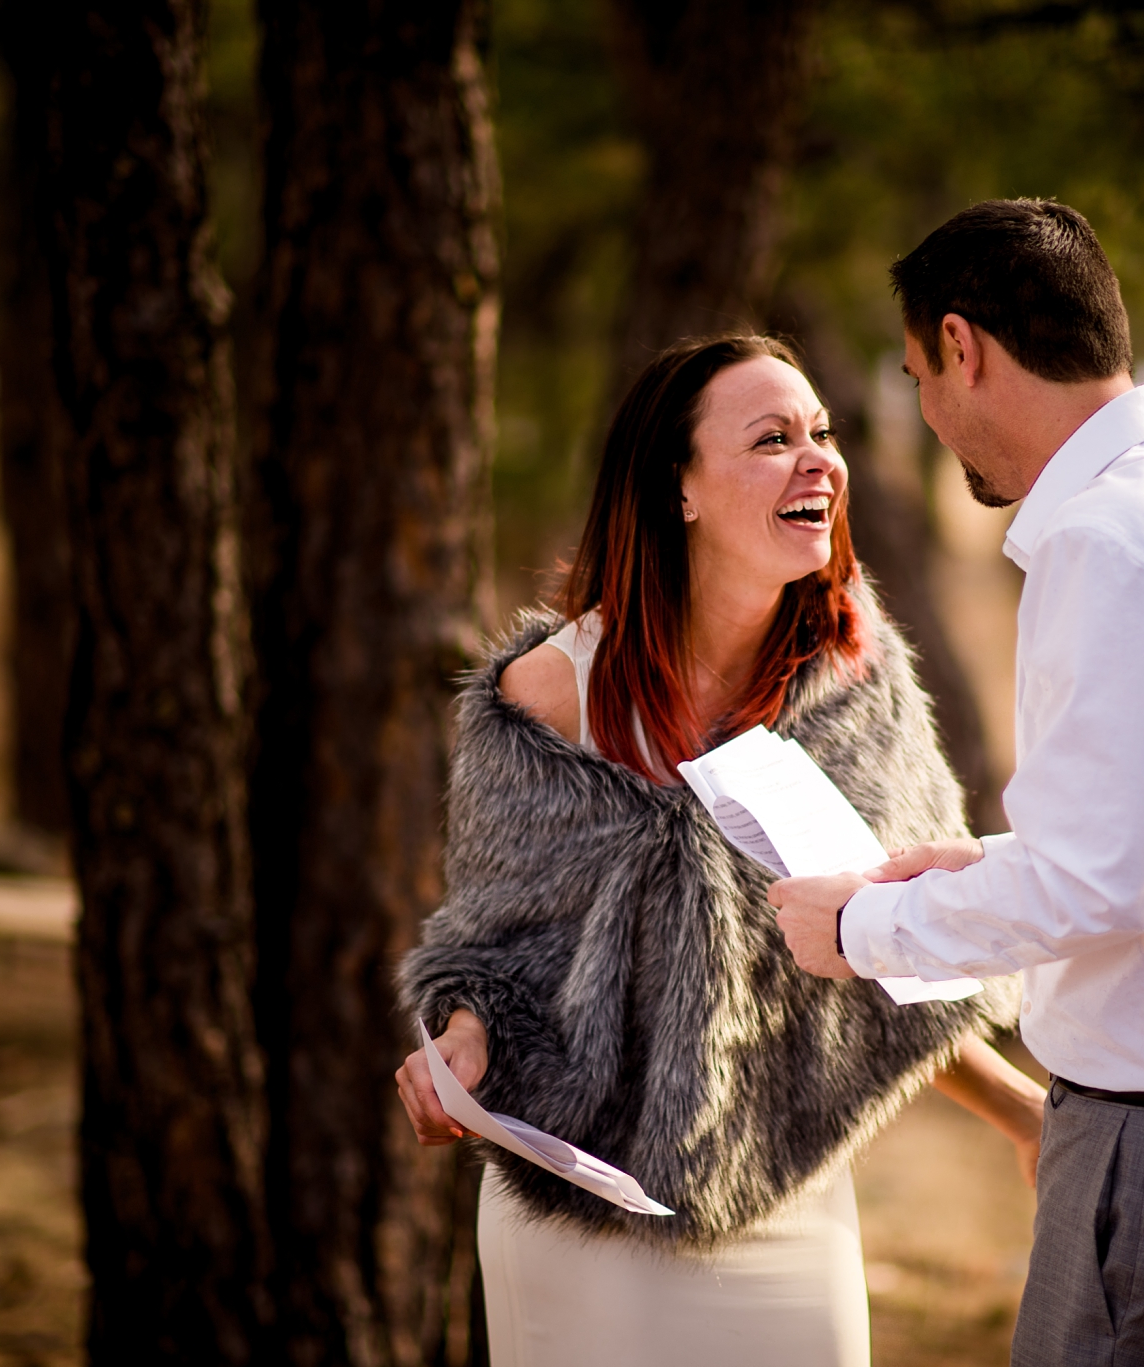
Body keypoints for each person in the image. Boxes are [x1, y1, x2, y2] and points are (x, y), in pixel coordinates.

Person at [771, 199, 1144, 1367]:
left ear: (963, 346)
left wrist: (859, 923)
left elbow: (1096, 885)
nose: (929, 418)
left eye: (914, 377)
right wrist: (981, 863)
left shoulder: (1106, 536)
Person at [393, 333, 1047, 1367]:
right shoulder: (548, 699)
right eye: (771, 438)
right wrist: (464, 1041)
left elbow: (900, 963)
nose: (817, 459)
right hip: (582, 1213)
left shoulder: (854, 685)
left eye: (820, 434)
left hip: (787, 1192)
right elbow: (493, 953)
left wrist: (1021, 1111)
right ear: (679, 490)